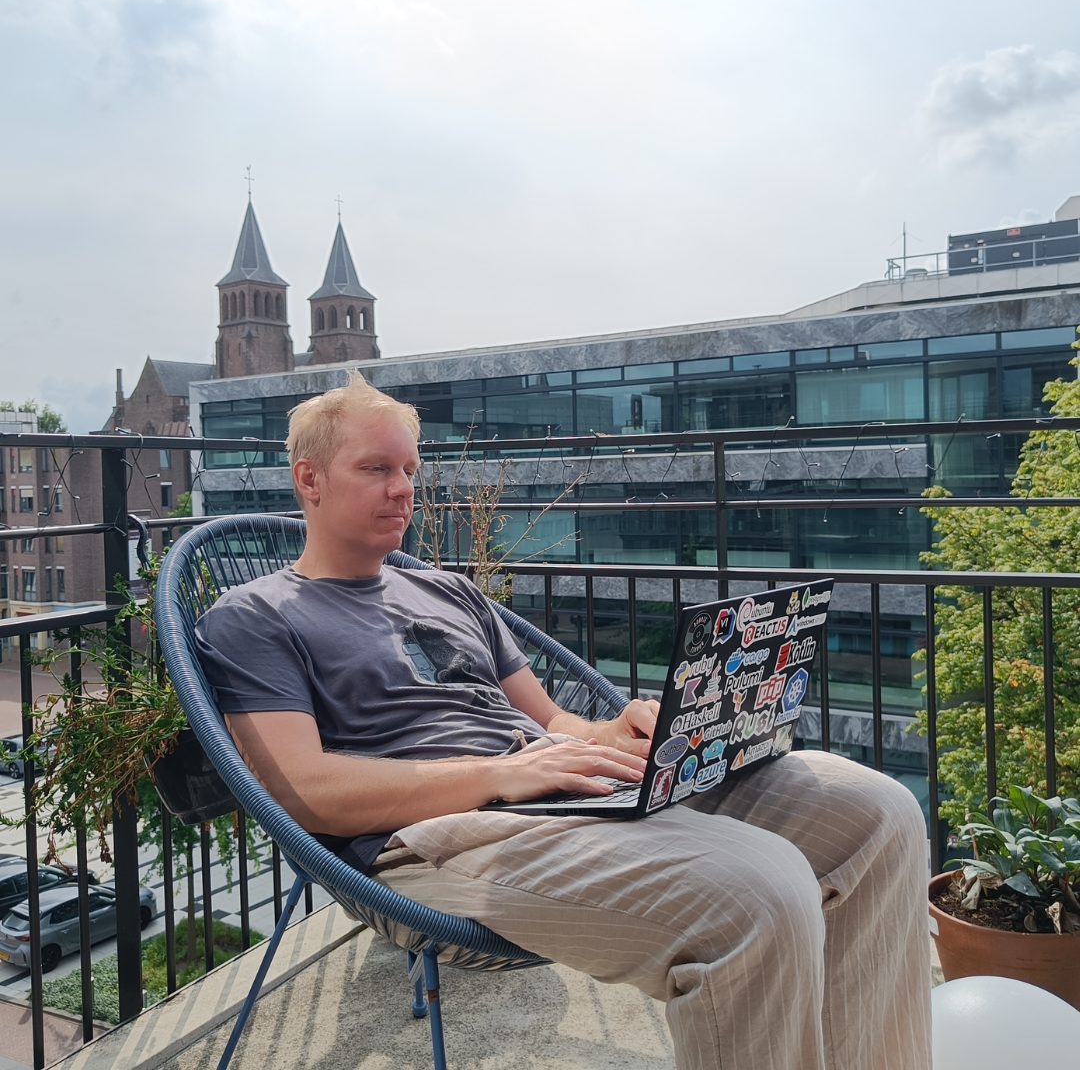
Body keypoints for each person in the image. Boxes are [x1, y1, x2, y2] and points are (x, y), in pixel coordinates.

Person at [196, 372, 932, 1070]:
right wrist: (504, 774)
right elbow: (302, 791)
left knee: (878, 814)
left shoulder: (451, 593)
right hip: (442, 835)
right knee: (758, 892)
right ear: (309, 479)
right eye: (375, 469)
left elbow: (552, 723)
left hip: (566, 788)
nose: (402, 491)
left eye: (411, 471)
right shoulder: (257, 616)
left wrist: (633, 732)